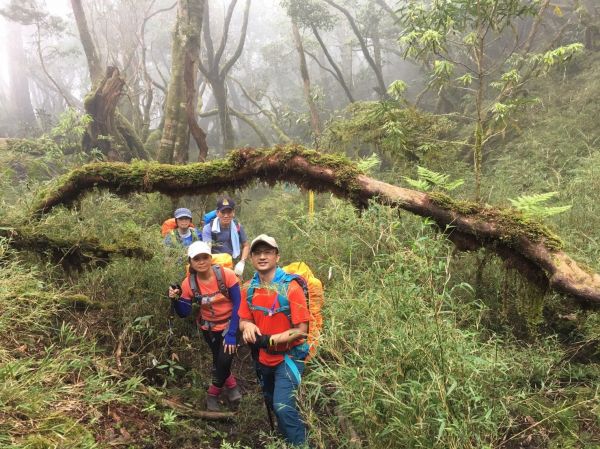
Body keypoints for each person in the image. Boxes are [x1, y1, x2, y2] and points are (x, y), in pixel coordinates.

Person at [238, 234, 310, 446]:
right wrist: (248, 325)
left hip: (289, 357)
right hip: (263, 358)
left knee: (282, 406)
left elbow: (301, 331)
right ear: (251, 258)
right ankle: (286, 438)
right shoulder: (248, 288)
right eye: (257, 253)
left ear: (277, 257)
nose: (262, 257)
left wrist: (269, 340)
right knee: (271, 400)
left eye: (267, 252)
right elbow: (243, 319)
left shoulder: (291, 288)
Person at [168, 241, 243, 411]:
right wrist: (175, 298)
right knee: (218, 359)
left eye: (204, 257)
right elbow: (184, 312)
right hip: (208, 329)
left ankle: (213, 393)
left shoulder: (227, 275)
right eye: (197, 259)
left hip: (231, 324)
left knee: (224, 359)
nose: (201, 261)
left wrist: (232, 334)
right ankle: (231, 386)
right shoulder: (188, 283)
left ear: (210, 258)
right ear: (191, 262)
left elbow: (239, 304)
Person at [202, 197, 249, 277]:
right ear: (217, 213)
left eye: (229, 212)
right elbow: (207, 250)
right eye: (223, 212)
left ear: (233, 212)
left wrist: (242, 262)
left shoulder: (237, 227)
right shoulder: (209, 228)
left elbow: (246, 245)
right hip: (214, 266)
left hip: (233, 265)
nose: (226, 216)